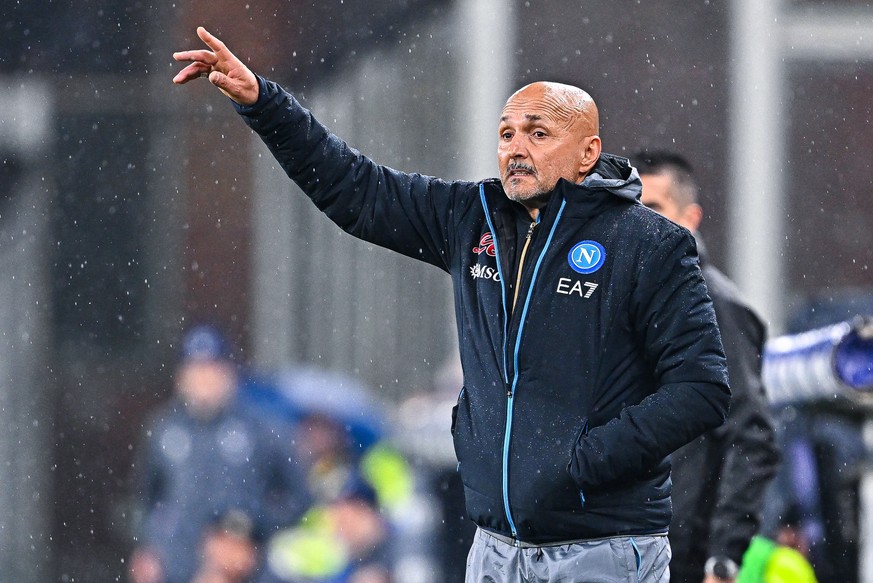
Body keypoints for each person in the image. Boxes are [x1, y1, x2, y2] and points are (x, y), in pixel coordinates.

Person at [172, 28, 732, 583]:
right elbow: (356, 190)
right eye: (507, 133)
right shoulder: (472, 217)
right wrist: (264, 104)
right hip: (495, 551)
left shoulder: (650, 244)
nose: (516, 148)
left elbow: (702, 389)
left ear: (588, 151)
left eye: (538, 133)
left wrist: (585, 460)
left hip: (603, 549)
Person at [634, 151, 780, 583]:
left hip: (681, 553)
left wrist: (723, 555)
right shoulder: (621, 300)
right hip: (621, 546)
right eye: (630, 208)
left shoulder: (715, 306)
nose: (641, 222)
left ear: (690, 217)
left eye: (655, 209)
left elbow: (751, 436)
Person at [129, 325, 310, 583]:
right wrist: (149, 547)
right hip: (180, 569)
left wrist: (252, 532)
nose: (204, 380)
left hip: (244, 571)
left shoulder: (262, 429)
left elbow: (298, 499)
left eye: (212, 370)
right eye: (196, 370)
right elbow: (148, 499)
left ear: (229, 374)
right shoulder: (163, 429)